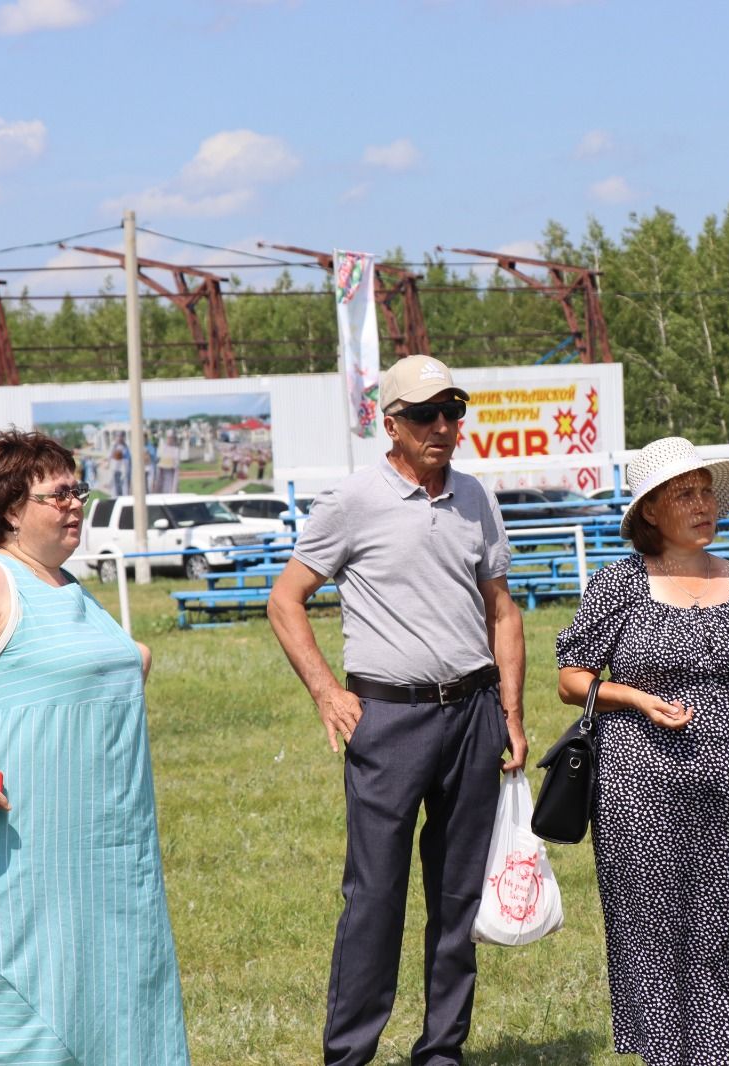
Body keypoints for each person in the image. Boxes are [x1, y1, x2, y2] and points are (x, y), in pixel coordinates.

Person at [0, 428, 189, 1066]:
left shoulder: (64, 585)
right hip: (17, 849)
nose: (75, 503)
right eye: (58, 495)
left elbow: (120, 662)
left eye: (77, 490)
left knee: (116, 985)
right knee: (23, 999)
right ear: (12, 511)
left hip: (102, 849)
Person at [267, 354, 527, 1066]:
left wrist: (510, 711)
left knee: (458, 899)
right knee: (376, 899)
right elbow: (284, 599)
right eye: (424, 415)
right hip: (388, 721)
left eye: (452, 411)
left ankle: (441, 1051)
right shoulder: (352, 501)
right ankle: (349, 1054)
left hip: (473, 714)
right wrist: (326, 690)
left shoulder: (475, 496)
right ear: (392, 424)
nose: (443, 426)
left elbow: (501, 611)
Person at [554, 436, 729, 1066]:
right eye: (685, 494)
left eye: (706, 491)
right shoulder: (617, 586)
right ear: (651, 510)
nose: (703, 505)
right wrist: (634, 698)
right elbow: (571, 681)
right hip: (639, 791)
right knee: (659, 931)